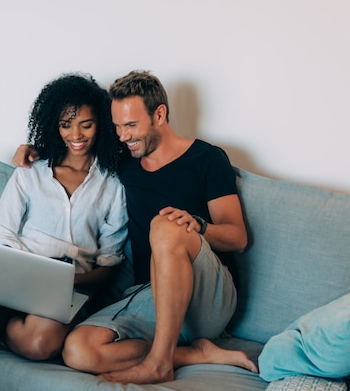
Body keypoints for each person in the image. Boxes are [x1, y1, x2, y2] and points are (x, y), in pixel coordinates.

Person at [13, 70, 258, 384]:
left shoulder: (207, 159)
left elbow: (238, 238)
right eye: (116, 126)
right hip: (153, 295)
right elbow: (77, 145)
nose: (123, 136)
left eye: (131, 125)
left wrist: (198, 226)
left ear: (159, 114)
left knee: (165, 226)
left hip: (209, 300)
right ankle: (195, 354)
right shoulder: (123, 160)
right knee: (77, 350)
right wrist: (34, 150)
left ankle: (159, 364)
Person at [0, 73, 129, 391]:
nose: (75, 135)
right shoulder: (30, 172)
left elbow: (108, 265)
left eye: (86, 124)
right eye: (66, 124)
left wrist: (60, 282)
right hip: (13, 277)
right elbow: (2, 234)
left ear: (101, 124)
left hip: (69, 288)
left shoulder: (113, 184)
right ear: (54, 124)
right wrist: (23, 276)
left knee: (41, 344)